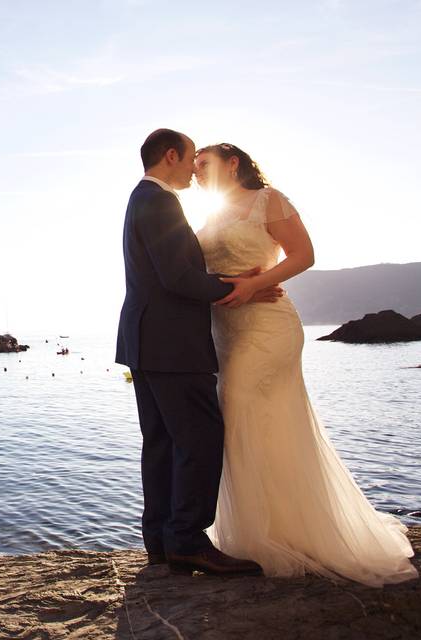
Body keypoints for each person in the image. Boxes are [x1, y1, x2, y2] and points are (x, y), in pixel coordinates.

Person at [194, 143, 418, 586]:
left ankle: (273, 538)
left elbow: (303, 255)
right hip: (226, 329)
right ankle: (263, 532)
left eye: (204, 163)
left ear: (232, 162)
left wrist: (256, 282)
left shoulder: (269, 200)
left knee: (239, 407)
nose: (197, 171)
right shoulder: (210, 215)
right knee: (251, 420)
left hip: (267, 324)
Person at [115, 129, 281, 576]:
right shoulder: (160, 201)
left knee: (163, 442)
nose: (193, 168)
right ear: (171, 155)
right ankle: (188, 539)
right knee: (200, 436)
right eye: (190, 159)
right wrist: (239, 288)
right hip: (172, 343)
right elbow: (178, 277)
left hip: (145, 340)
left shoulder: (142, 199)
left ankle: (162, 543)